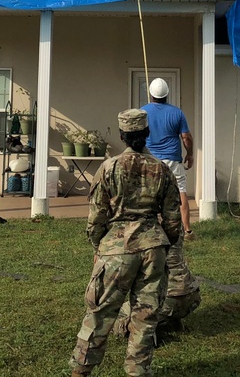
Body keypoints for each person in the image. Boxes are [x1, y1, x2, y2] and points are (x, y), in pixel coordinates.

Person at [69, 109, 182, 377]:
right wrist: (165, 243)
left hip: (116, 251)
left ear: (122, 135)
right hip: (153, 249)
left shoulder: (108, 168)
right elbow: (173, 220)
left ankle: (81, 371)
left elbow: (96, 217)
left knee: (99, 314)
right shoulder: (162, 170)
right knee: (145, 318)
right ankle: (137, 371)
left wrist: (99, 247)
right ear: (147, 134)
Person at [112, 235, 201, 341]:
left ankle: (147, 332)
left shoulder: (142, 232)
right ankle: (169, 322)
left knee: (113, 315)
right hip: (192, 295)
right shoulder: (173, 223)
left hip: (166, 298)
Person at [142, 78, 194, 236]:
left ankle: (150, 230)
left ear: (150, 94)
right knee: (181, 192)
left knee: (149, 193)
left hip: (151, 159)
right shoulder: (177, 112)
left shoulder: (142, 112)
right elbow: (186, 137)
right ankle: (187, 230)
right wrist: (190, 154)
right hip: (172, 159)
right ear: (167, 94)